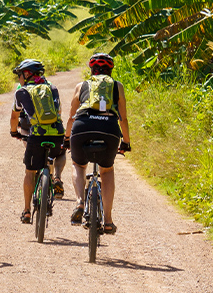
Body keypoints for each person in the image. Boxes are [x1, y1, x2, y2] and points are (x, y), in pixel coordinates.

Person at [67, 53, 132, 233]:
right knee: (107, 170)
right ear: (110, 71)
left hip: (82, 126)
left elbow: (71, 117)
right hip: (108, 128)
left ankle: (80, 202)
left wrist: (66, 138)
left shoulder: (81, 86)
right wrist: (126, 142)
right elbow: (123, 119)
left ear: (92, 70)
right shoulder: (117, 86)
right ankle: (108, 221)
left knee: (78, 165)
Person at [8, 58, 67, 225]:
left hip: (36, 135)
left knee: (30, 171)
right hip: (57, 134)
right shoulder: (52, 88)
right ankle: (55, 178)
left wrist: (14, 132)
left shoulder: (22, 92)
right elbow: (58, 112)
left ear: (27, 74)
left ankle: (27, 211)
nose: (19, 78)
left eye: (20, 75)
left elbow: (14, 117)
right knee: (57, 155)